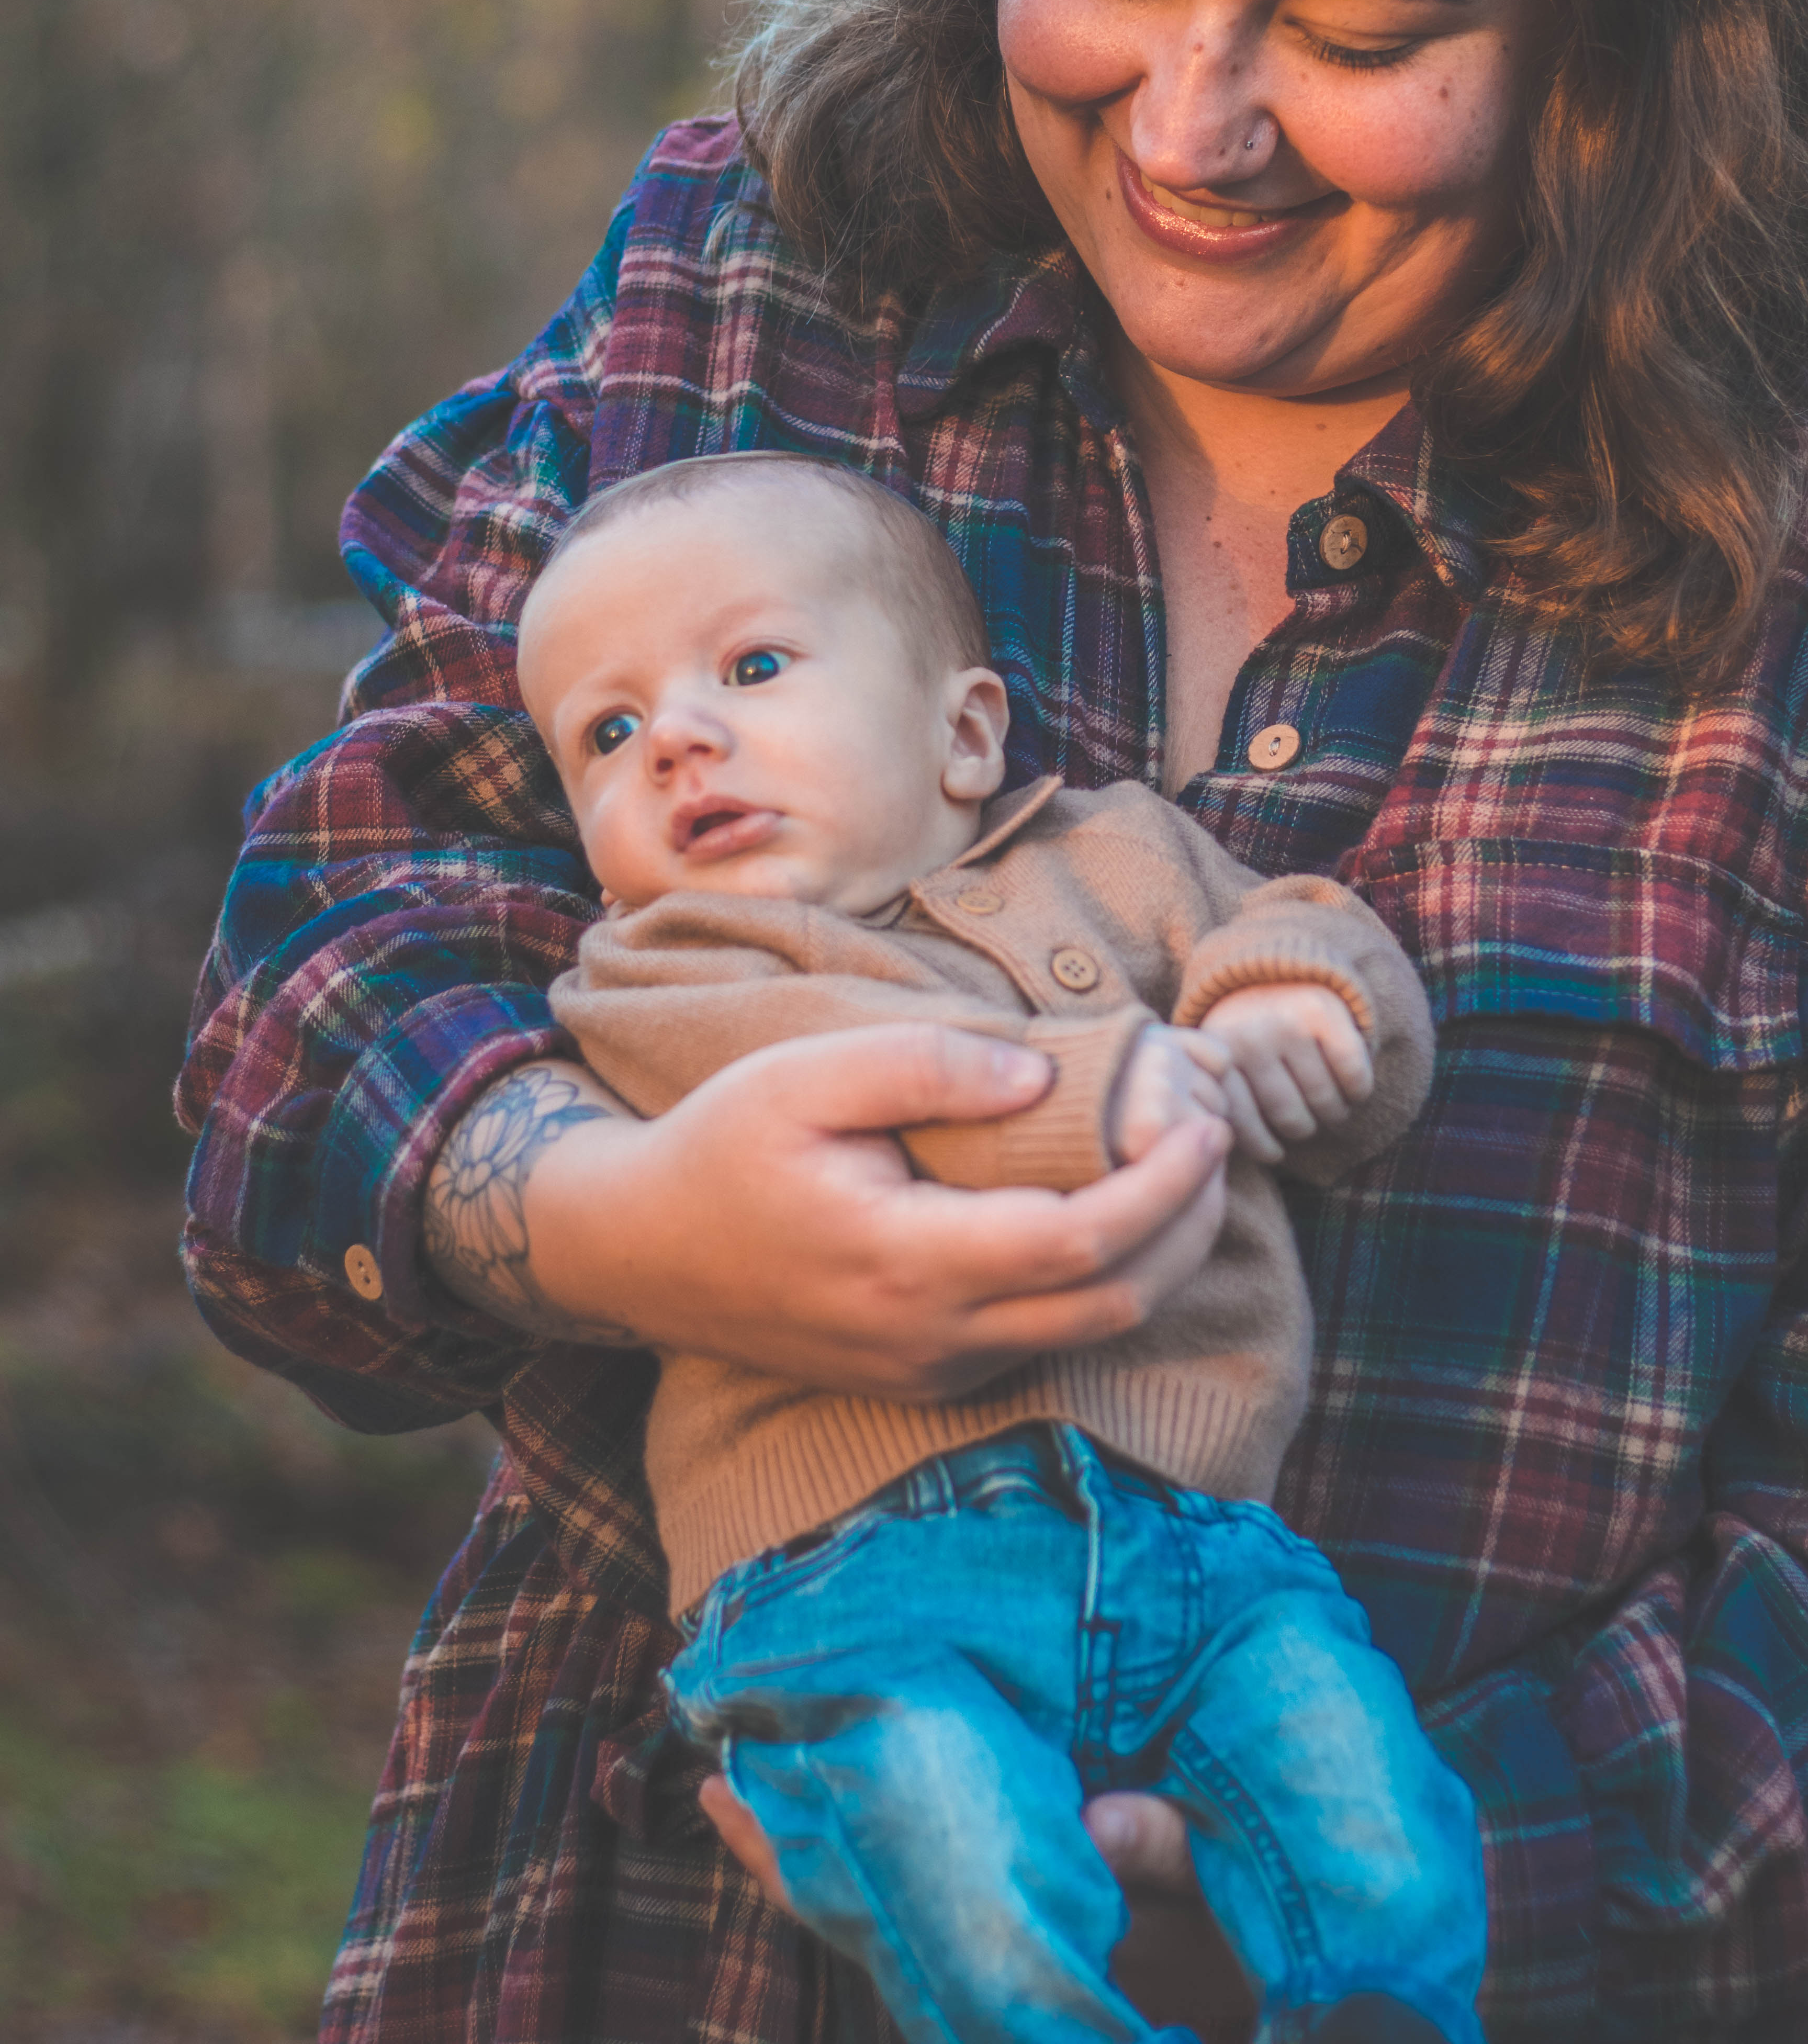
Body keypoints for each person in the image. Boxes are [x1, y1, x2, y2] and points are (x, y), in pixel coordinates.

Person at [176, 0, 1808, 2044]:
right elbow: (305, 1034)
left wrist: (1319, 1894)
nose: (1188, 123)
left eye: (1352, 23)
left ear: (1612, 33)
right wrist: (602, 1215)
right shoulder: (771, 282)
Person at [514, 445, 1478, 2043]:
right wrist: (1132, 1084)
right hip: (858, 1579)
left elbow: (1302, 918)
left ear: (964, 733)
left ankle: (1383, 2013)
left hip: (1202, 1541)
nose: (678, 736)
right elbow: (870, 1094)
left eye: (752, 668)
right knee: (954, 1846)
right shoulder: (657, 975)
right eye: (609, 734)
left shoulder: (1119, 855)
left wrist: (1301, 1006)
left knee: (1362, 1787)